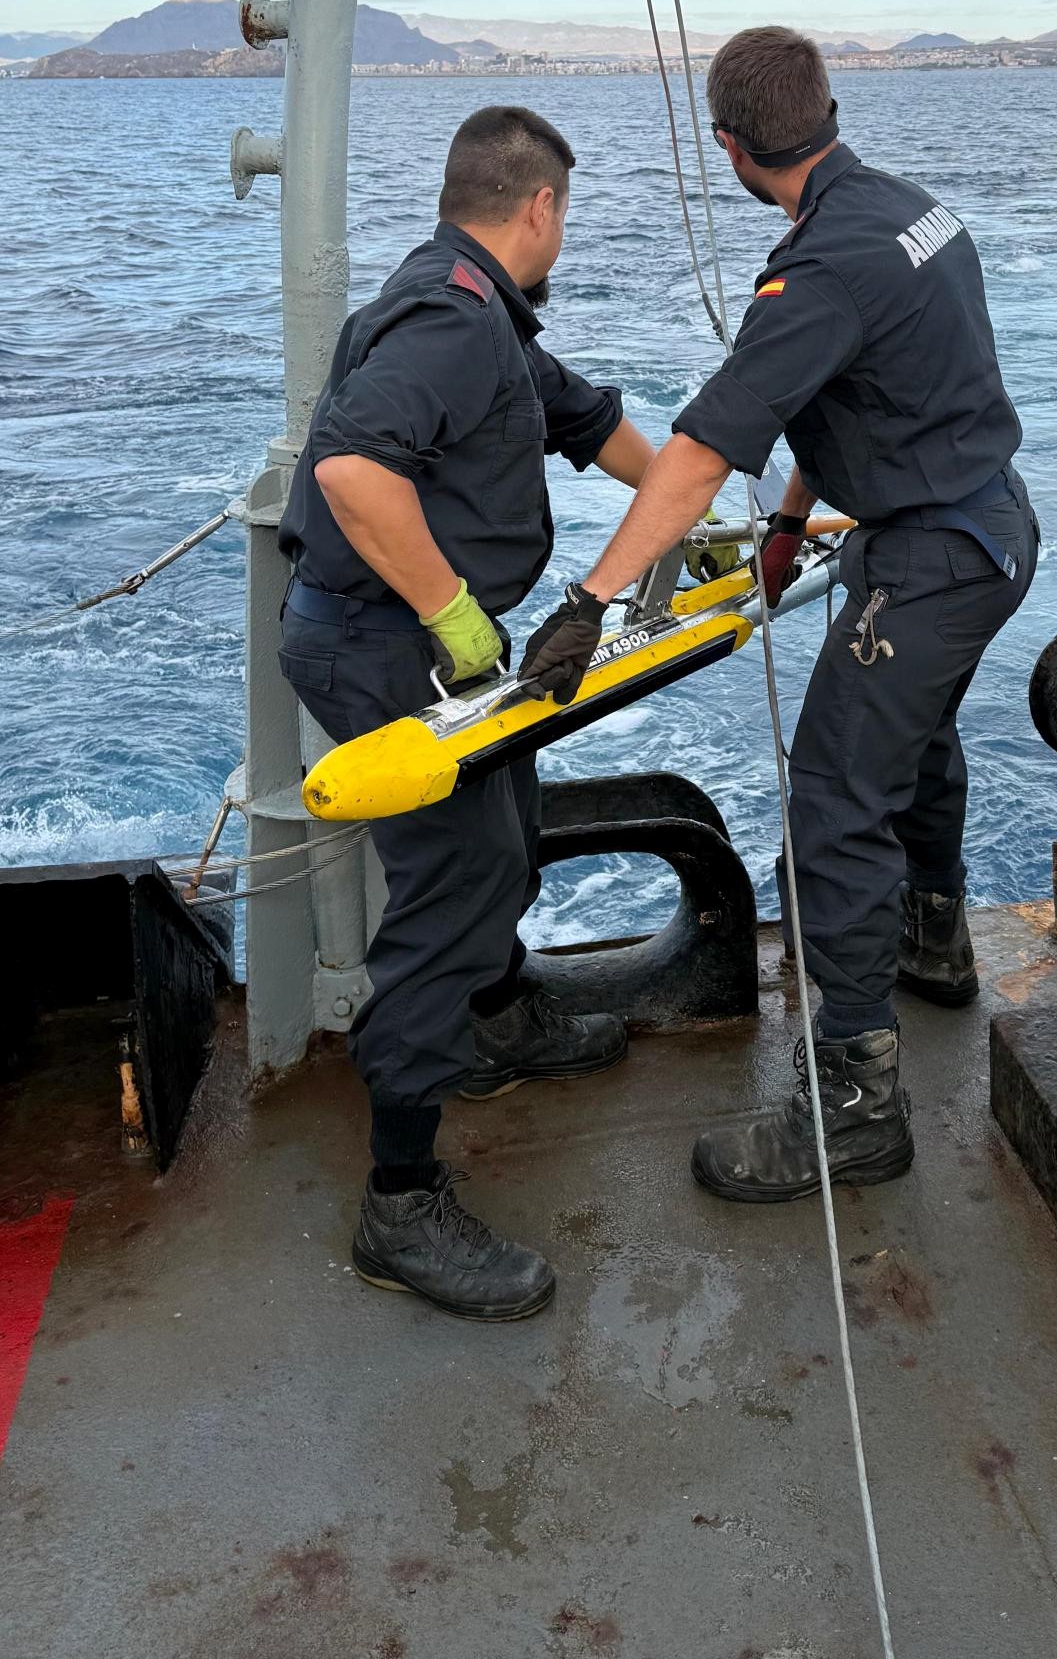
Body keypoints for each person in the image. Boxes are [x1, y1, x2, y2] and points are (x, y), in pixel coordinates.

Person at [521, 27, 1039, 1203]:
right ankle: (933, 937)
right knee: (919, 742)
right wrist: (796, 519)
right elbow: (862, 391)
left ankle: (856, 1108)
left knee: (835, 802)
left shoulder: (811, 278)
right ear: (832, 110)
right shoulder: (913, 211)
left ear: (728, 146)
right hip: (995, 527)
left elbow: (701, 449)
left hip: (935, 559)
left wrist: (588, 602)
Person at [278, 105, 659, 1318]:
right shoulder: (450, 319)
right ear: (539, 206)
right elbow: (351, 468)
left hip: (435, 649)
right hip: (389, 647)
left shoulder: (472, 301)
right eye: (567, 210)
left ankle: (495, 1021)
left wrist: (698, 503)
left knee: (503, 830)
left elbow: (583, 419)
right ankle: (399, 1202)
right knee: (450, 891)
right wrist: (452, 614)